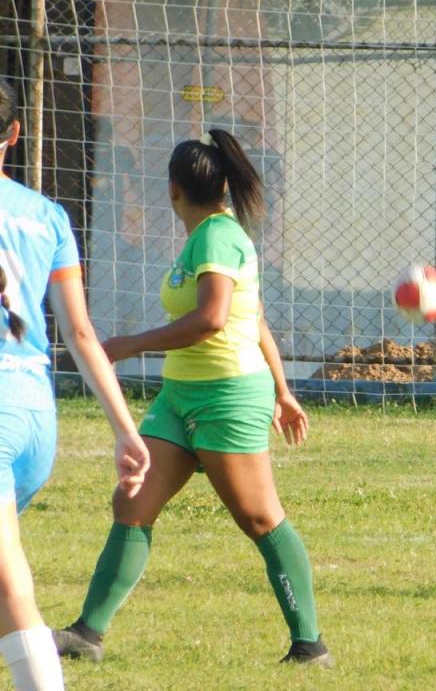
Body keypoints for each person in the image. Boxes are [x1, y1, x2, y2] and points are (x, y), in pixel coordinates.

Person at [53, 129, 332, 666]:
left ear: (173, 188)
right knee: (132, 503)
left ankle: (309, 644)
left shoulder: (215, 236)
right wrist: (284, 389)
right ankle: (87, 634)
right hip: (180, 397)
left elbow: (213, 320)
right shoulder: (205, 236)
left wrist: (127, 345)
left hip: (226, 398)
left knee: (259, 518)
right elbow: (256, 320)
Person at [0, 79, 150, 691]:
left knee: (13, 590)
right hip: (36, 415)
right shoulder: (48, 216)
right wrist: (125, 428)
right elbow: (82, 334)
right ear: (12, 134)